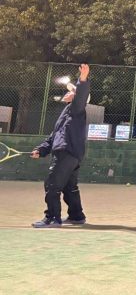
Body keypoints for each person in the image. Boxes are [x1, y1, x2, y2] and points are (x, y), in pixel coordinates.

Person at [30, 63, 91, 228]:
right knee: (70, 187)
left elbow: (81, 95)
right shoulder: (67, 113)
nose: (68, 92)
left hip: (66, 153)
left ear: (77, 97)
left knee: (52, 184)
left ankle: (52, 218)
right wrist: (41, 150)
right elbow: (54, 136)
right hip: (71, 154)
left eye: (72, 92)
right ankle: (76, 216)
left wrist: (83, 79)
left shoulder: (77, 109)